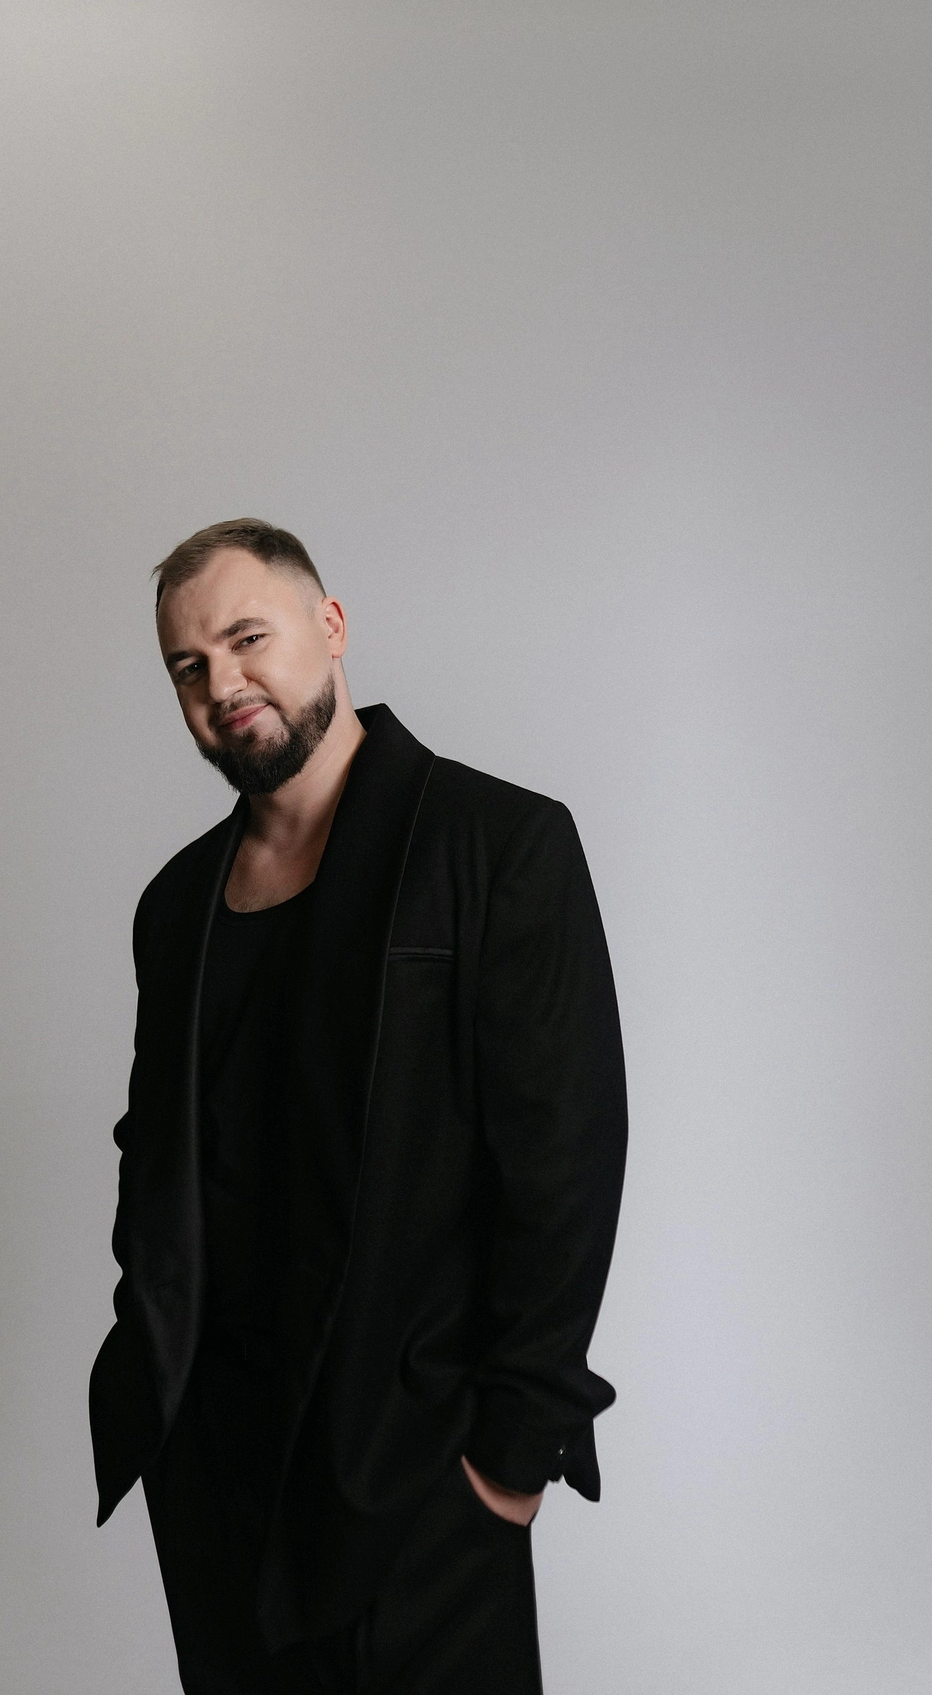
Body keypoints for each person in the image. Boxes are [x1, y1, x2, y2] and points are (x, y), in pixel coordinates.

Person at [89, 518, 628, 1693]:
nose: (222, 683)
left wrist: (509, 1453)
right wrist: (157, 1391)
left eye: (248, 638)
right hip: (219, 1480)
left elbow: (564, 1161)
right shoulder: (176, 905)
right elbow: (156, 1155)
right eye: (189, 665)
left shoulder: (497, 844)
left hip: (420, 1473)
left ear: (330, 627)